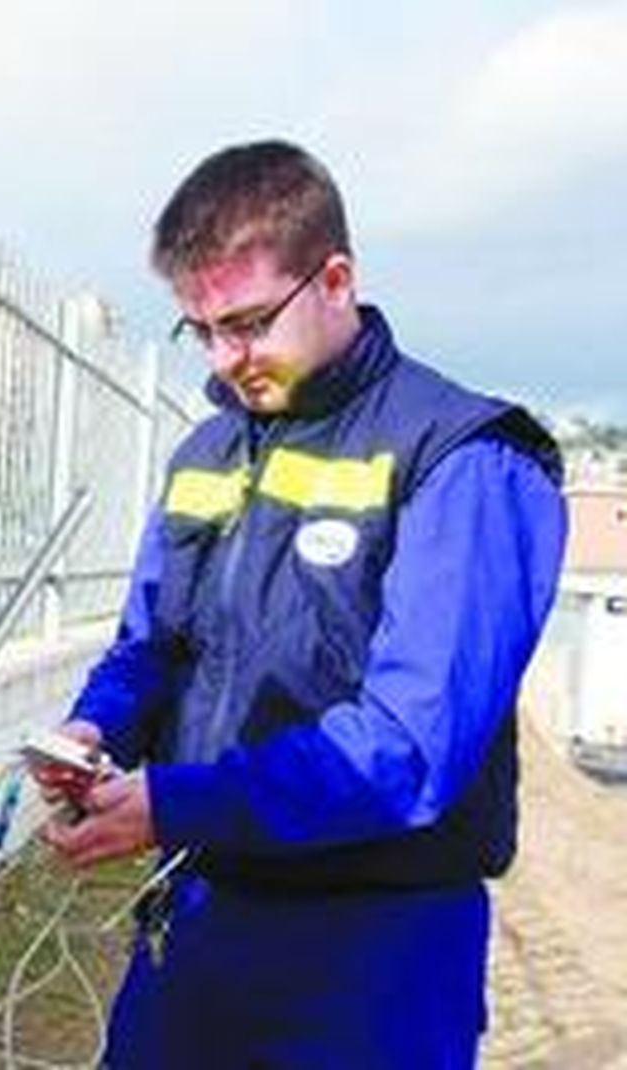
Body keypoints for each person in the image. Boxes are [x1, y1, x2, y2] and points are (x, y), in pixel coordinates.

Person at [34, 140, 566, 1067]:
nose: (225, 358)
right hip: (200, 916)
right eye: (198, 331)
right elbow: (149, 645)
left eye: (245, 323)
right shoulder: (207, 453)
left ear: (334, 279)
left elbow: (406, 748)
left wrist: (175, 802)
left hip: (376, 950)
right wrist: (94, 729)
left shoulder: (467, 459)